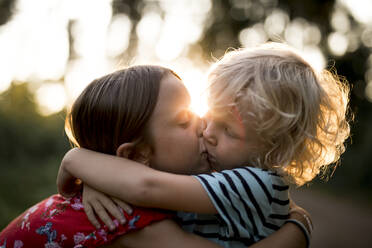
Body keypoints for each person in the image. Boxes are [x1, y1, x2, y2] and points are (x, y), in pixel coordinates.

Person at [58, 43, 349, 247]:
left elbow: (147, 186)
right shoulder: (210, 169)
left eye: (228, 130)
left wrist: (76, 159)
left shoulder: (256, 184)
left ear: (273, 148)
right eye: (209, 116)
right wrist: (95, 182)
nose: (207, 132)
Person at [0, 65, 309, 248]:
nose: (203, 125)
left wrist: (83, 164)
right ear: (135, 156)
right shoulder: (128, 218)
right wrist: (299, 228)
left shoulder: (119, 189)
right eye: (184, 121)